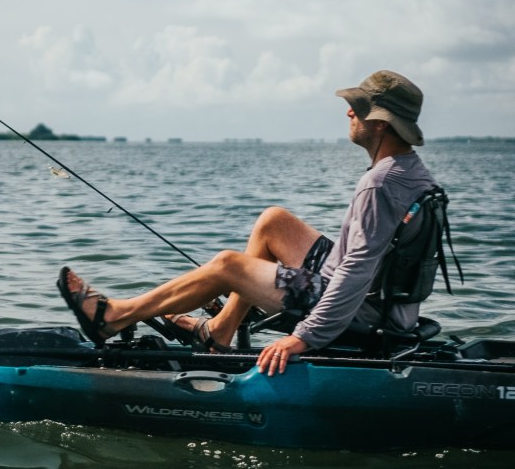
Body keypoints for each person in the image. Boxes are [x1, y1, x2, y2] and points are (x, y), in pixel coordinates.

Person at [58, 70, 439, 376]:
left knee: (227, 265)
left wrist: (305, 337)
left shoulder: (379, 183)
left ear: (381, 124)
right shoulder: (413, 173)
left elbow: (355, 271)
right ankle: (220, 332)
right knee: (274, 222)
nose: (348, 112)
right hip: (382, 301)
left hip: (358, 307)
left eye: (357, 107)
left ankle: (114, 317)